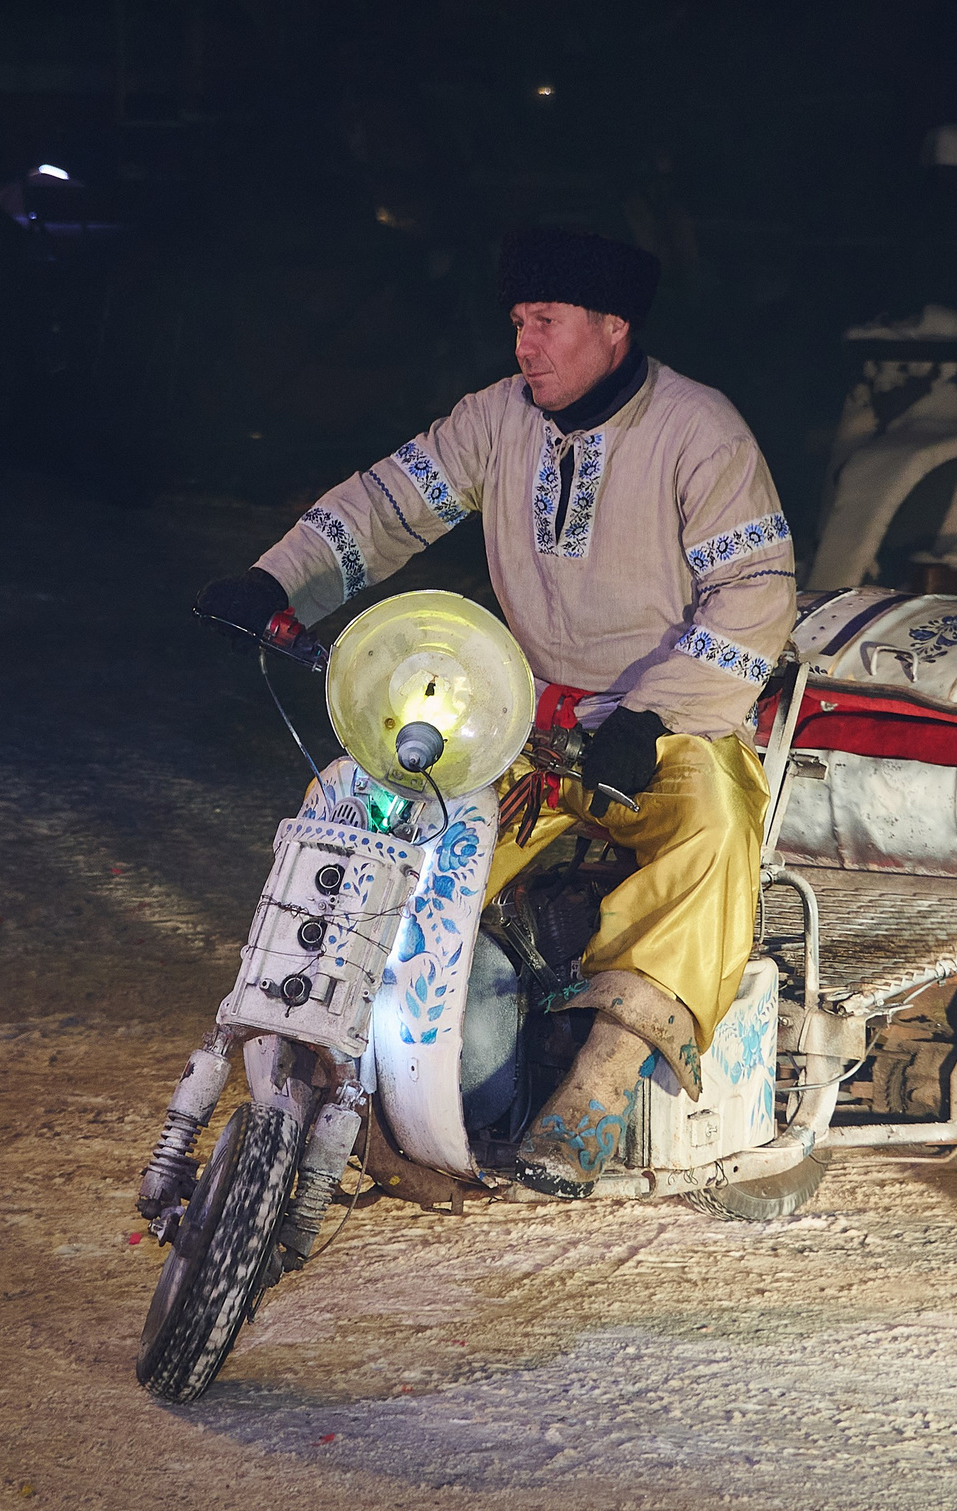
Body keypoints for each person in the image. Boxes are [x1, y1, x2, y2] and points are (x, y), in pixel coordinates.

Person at [192, 228, 795, 1198]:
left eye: (546, 323)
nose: (526, 344)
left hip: (663, 731)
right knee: (380, 816)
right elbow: (384, 506)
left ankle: (595, 1093)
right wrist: (276, 577)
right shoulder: (495, 420)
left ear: (612, 326)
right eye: (518, 322)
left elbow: (756, 596)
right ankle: (338, 1068)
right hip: (526, 728)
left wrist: (647, 713)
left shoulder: (701, 431)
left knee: (719, 830)